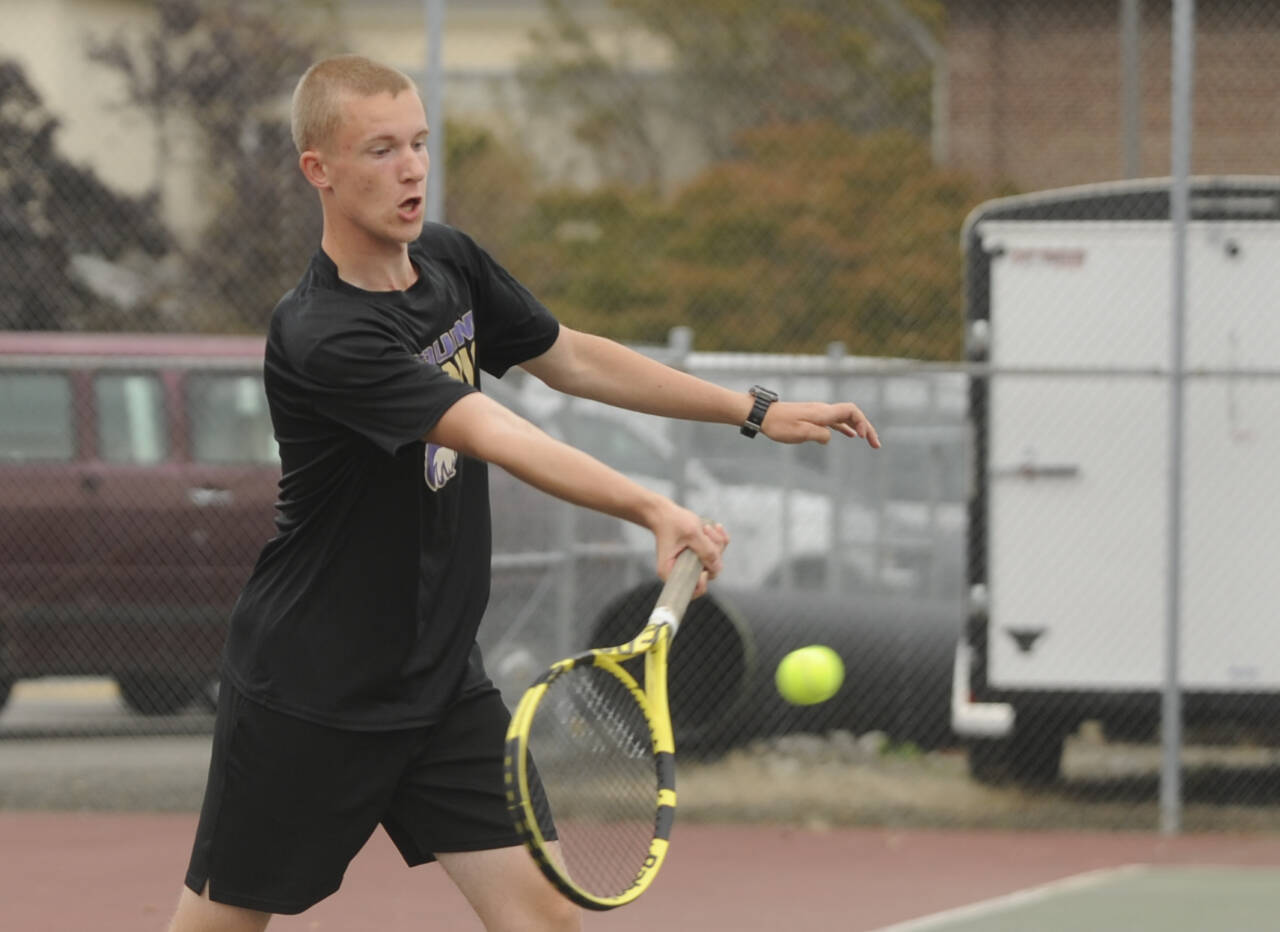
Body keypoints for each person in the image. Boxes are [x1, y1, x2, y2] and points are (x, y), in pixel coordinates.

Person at [168, 53, 880, 932]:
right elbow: (495, 431)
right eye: (381, 149)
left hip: (439, 685)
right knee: (222, 926)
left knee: (546, 921)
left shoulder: (448, 262)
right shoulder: (323, 334)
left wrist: (753, 409)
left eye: (420, 143)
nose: (413, 168)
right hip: (312, 693)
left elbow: (570, 356)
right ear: (318, 169)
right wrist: (651, 506)